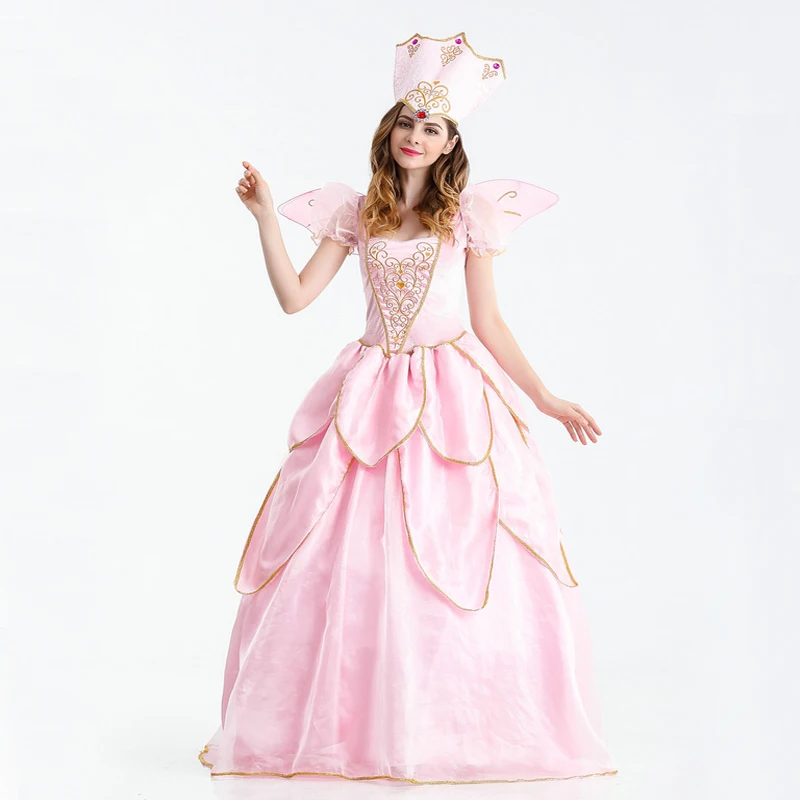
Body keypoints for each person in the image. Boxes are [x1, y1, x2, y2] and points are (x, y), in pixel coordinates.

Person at [199, 30, 617, 786]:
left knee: (454, 545)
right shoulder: (359, 213)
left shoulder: (468, 218)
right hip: (367, 397)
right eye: (406, 123)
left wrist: (547, 399)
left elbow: (490, 324)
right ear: (389, 131)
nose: (415, 136)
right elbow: (295, 298)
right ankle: (358, 725)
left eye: (431, 127)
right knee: (352, 553)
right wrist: (265, 218)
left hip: (452, 398)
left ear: (450, 142)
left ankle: (449, 723)